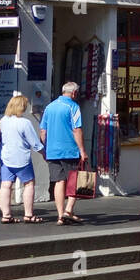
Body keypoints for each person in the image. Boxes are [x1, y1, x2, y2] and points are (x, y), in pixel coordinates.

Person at [40, 81, 88, 225]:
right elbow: (77, 130)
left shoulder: (49, 107)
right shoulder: (73, 106)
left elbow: (43, 131)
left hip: (53, 151)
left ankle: (61, 216)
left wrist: (45, 148)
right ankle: (68, 210)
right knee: (75, 181)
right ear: (74, 93)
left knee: (59, 182)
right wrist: (82, 150)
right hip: (69, 150)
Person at [0, 94, 45, 223]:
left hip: (6, 157)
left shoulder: (3, 120)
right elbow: (35, 143)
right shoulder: (25, 123)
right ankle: (28, 215)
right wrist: (44, 154)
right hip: (22, 158)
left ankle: (6, 215)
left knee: (5, 186)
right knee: (29, 184)